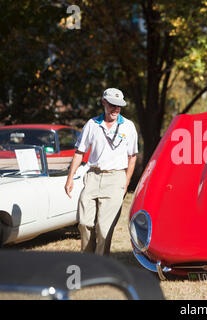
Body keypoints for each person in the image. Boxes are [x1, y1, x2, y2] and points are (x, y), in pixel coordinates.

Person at [65, 88, 138, 255]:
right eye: (112, 105)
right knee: (84, 223)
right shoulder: (92, 124)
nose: (116, 109)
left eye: (119, 106)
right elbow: (79, 152)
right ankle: (88, 261)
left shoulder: (128, 126)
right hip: (92, 176)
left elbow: (132, 157)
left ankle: (99, 267)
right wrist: (69, 179)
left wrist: (125, 183)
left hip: (116, 178)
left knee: (104, 230)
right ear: (103, 102)